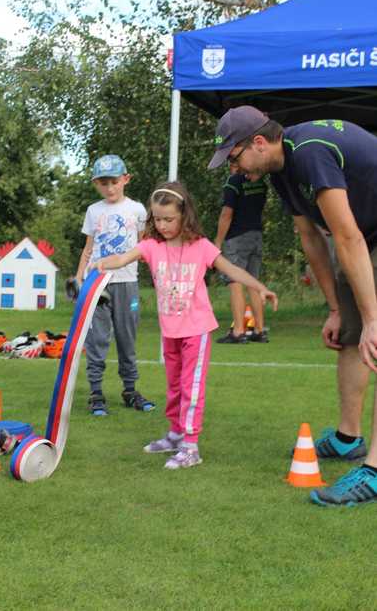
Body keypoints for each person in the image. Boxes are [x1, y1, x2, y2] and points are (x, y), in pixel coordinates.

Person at [208, 104, 377, 506]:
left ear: (259, 142)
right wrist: (336, 309)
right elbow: (311, 237)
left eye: (234, 157)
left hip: (364, 235)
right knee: (350, 336)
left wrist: (373, 319)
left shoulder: (310, 151)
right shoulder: (281, 171)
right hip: (366, 234)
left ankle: (374, 472)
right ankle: (348, 437)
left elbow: (346, 237)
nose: (234, 169)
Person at [93, 181, 278, 469]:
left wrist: (260, 287)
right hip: (170, 331)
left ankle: (191, 446)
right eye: (157, 219)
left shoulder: (201, 247)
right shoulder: (151, 246)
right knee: (174, 387)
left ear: (184, 215)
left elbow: (232, 269)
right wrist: (102, 263)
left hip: (197, 330)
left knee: (192, 388)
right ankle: (176, 434)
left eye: (169, 219)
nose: (162, 225)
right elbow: (123, 257)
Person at [75, 154, 154, 415]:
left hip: (127, 283)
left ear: (125, 179)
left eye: (114, 182)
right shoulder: (93, 211)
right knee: (97, 339)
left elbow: (144, 246)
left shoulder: (137, 210)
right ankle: (96, 394)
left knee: (126, 338)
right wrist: (79, 278)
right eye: (103, 183)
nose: (109, 188)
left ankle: (130, 390)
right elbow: (88, 249)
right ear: (96, 184)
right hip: (97, 284)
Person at [214, 172, 268, 344]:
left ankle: (238, 331)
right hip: (256, 235)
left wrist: (218, 241)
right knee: (253, 283)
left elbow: (227, 213)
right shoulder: (260, 181)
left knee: (235, 282)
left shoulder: (233, 182)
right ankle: (259, 330)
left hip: (236, 237)